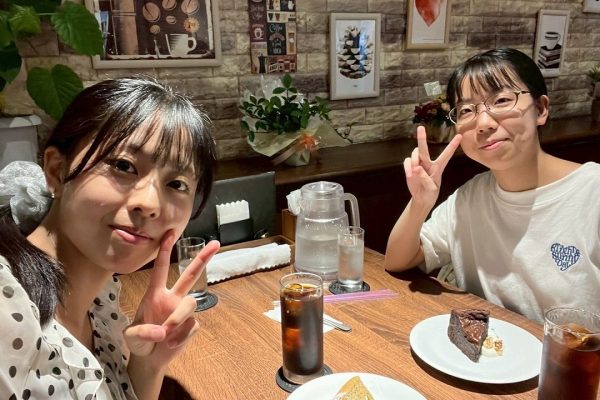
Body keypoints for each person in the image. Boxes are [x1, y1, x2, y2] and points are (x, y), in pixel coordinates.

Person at [0, 77, 221, 399]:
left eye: (176, 184)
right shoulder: (7, 310)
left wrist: (149, 363)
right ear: (57, 171)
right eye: (123, 166)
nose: (150, 203)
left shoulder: (101, 300)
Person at [385, 48, 600, 323]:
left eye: (501, 100)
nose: (484, 123)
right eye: (466, 110)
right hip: (485, 346)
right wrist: (420, 203)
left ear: (541, 109)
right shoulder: (471, 197)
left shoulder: (592, 192)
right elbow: (398, 260)